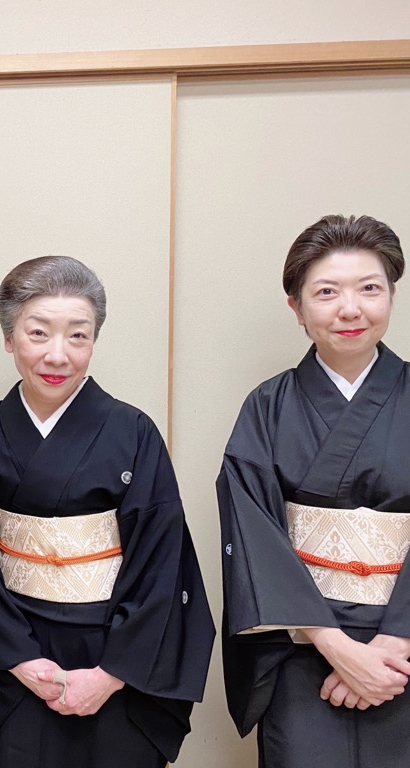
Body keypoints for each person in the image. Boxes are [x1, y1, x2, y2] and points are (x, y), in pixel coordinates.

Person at [0, 255, 214, 767]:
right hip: (19, 657)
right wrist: (21, 662)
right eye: (38, 333)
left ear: (94, 340)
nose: (58, 354)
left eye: (78, 336)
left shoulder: (133, 432)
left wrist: (111, 674)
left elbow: (162, 561)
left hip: (116, 657)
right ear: (9, 338)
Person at [218, 214, 410, 767]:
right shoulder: (267, 407)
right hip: (302, 650)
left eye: (369, 288)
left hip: (402, 656)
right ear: (297, 308)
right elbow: (253, 532)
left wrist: (393, 644)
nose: (350, 309)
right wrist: (337, 647)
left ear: (391, 296)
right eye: (327, 292)